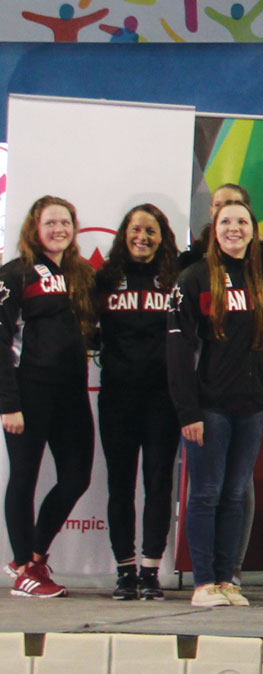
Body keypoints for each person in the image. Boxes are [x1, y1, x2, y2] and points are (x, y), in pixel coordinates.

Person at [167, 199, 263, 607]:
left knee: (234, 494)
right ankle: (203, 582)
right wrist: (187, 411)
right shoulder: (192, 280)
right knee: (205, 493)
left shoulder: (259, 279)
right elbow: (177, 353)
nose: (234, 228)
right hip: (208, 407)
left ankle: (228, 579)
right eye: (226, 221)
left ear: (252, 230)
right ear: (214, 229)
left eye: (242, 221)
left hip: (250, 407)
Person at [0, 197, 97, 599]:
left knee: (76, 477)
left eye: (66, 222)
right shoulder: (15, 273)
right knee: (24, 477)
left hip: (72, 392)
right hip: (29, 391)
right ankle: (23, 566)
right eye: (50, 222)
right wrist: (8, 403)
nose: (59, 229)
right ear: (34, 228)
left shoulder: (79, 273)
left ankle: (36, 557)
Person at [94, 204, 180, 600]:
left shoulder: (175, 279)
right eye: (135, 229)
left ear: (163, 237)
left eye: (151, 231)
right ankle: (124, 570)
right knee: (120, 485)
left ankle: (150, 570)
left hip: (163, 400)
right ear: (123, 234)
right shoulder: (105, 279)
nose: (142, 237)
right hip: (117, 399)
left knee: (159, 483)